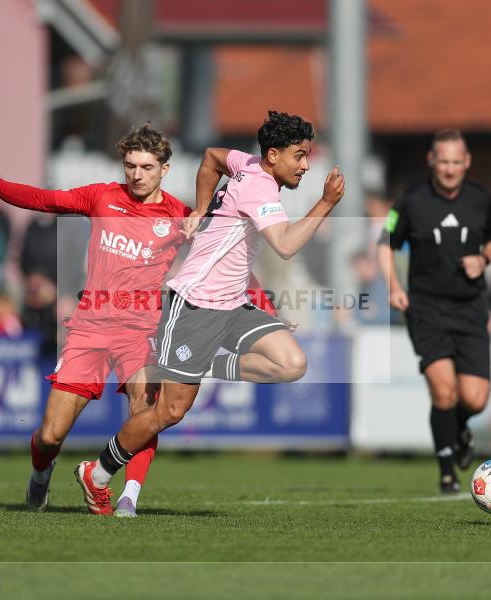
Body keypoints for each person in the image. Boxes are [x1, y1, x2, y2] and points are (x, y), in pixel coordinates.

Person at [73, 110, 345, 516]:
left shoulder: (247, 162)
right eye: (300, 155)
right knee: (168, 412)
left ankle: (207, 365)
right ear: (273, 155)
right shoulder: (260, 189)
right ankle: (96, 473)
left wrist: (201, 208)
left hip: (233, 304)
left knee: (291, 363)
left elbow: (212, 157)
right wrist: (325, 203)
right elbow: (286, 245)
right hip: (195, 305)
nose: (305, 165)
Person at [0, 125, 192, 517]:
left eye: (147, 167)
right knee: (51, 435)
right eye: (130, 165)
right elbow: (42, 199)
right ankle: (41, 472)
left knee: (146, 414)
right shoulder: (102, 196)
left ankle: (127, 498)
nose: (136, 175)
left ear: (164, 170)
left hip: (141, 332)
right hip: (90, 327)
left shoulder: (180, 216)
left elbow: (225, 255)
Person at [377, 129, 491, 493]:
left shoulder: (481, 199)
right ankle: (447, 472)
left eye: (456, 162)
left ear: (467, 162)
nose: (449, 169)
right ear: (431, 161)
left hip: (470, 308)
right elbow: (384, 243)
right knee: (444, 391)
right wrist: (394, 287)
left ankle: (459, 429)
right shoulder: (410, 201)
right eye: (443, 161)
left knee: (475, 399)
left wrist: (484, 258)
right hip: (426, 308)